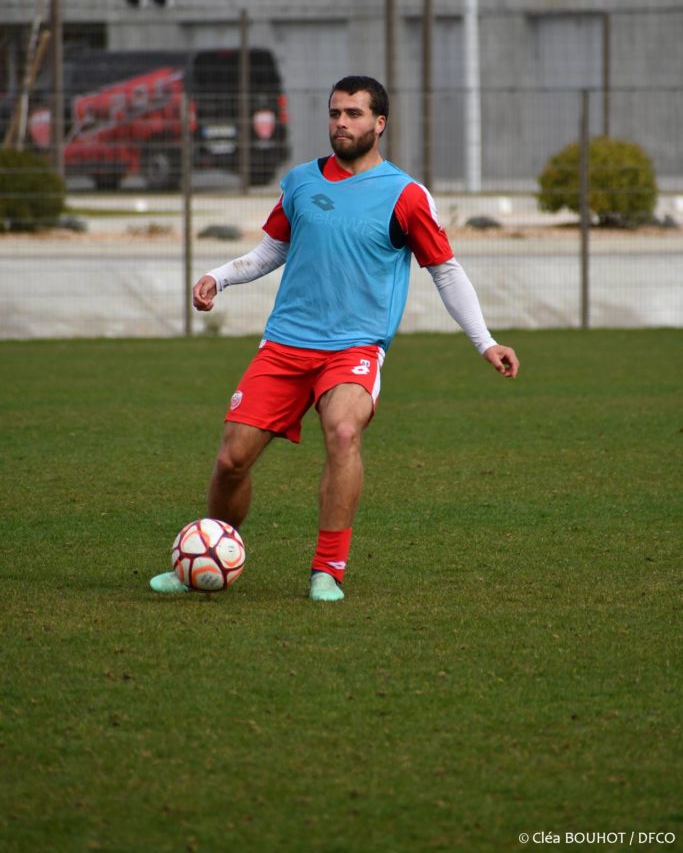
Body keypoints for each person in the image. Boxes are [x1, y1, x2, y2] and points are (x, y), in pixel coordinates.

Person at [150, 75, 519, 601]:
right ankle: (209, 554)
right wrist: (220, 276)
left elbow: (445, 270)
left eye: (353, 113)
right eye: (334, 113)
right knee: (232, 460)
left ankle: (328, 570)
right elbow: (271, 249)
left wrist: (485, 342)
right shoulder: (300, 182)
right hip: (285, 344)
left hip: (355, 348)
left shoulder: (406, 195)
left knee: (344, 432)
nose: (341, 123)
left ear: (379, 123)